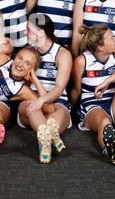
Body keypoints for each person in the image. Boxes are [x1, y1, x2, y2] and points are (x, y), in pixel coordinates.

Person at [69, 23, 115, 165]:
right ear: (100, 47)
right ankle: (109, 150)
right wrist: (69, 111)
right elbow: (76, 90)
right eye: (111, 38)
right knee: (105, 124)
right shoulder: (81, 61)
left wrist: (107, 81)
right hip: (93, 105)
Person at [18, 14, 73, 163]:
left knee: (54, 119)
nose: (25, 33)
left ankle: (45, 140)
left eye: (28, 29)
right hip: (31, 99)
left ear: (41, 33)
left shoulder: (62, 54)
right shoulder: (28, 52)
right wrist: (37, 101)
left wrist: (41, 100)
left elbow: (60, 88)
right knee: (32, 106)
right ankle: (50, 138)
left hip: (56, 102)